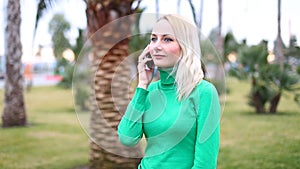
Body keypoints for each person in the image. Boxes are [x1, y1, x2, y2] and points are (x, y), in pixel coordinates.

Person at [118, 14, 221, 169]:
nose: (157, 46)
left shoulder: (204, 93)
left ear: (185, 46)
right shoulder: (149, 91)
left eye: (167, 39)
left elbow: (205, 164)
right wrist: (142, 85)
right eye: (153, 39)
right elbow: (127, 139)